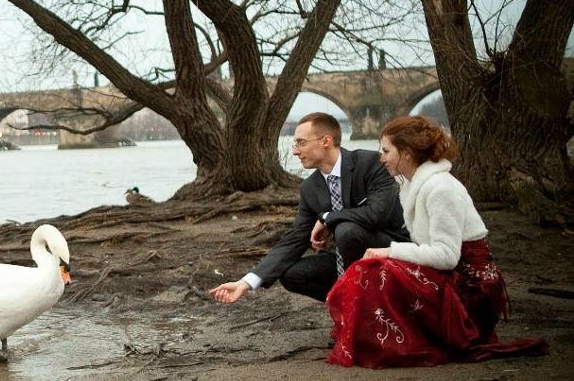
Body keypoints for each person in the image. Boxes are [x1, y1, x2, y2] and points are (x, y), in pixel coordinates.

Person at [325, 115, 547, 368]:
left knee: (377, 270)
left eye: (386, 151)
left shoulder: (441, 188)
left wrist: (390, 251)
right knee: (371, 268)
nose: (381, 158)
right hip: (447, 276)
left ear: (407, 153)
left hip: (469, 290)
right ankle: (372, 338)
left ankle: (386, 342)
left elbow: (447, 256)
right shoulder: (412, 185)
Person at [211, 112, 409, 305]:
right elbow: (294, 239)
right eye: (296, 144)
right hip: (344, 262)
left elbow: (377, 215)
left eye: (301, 143)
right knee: (292, 274)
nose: (296, 151)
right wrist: (245, 283)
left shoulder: (369, 163)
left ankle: (357, 310)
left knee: (346, 230)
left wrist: (327, 217)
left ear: (326, 141)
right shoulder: (310, 188)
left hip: (392, 253)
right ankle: (345, 307)